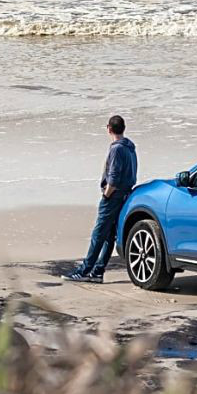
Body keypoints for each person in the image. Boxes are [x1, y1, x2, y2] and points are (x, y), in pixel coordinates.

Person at [69, 114, 137, 282]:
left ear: (109, 129)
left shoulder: (116, 149)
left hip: (114, 196)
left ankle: (85, 271)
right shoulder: (130, 147)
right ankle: (98, 271)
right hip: (126, 194)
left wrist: (107, 195)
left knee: (99, 234)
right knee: (109, 235)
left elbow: (113, 177)